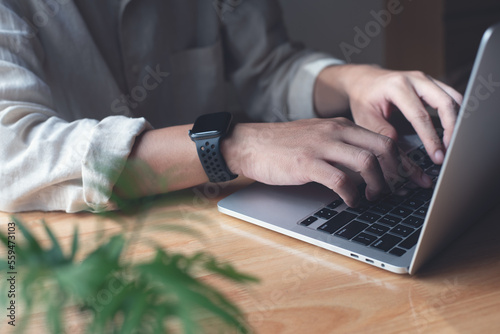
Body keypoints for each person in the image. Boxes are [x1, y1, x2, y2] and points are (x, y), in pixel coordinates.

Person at [0, 0, 462, 213]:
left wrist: (355, 79)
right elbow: (13, 152)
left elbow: (266, 67)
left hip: (218, 227)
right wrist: (233, 144)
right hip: (76, 259)